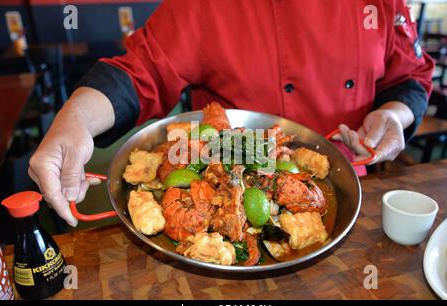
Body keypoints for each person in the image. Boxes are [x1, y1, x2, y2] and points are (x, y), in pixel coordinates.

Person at [28, 0, 434, 227]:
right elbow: (142, 71)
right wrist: (74, 120)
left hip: (351, 191)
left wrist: (395, 115)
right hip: (216, 181)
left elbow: (410, 74)